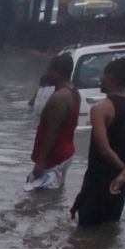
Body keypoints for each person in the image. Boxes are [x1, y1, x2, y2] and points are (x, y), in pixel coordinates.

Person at [70, 57, 125, 226]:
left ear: (112, 77)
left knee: (86, 230)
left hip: (97, 179)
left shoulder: (100, 109)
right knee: (109, 227)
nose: (101, 79)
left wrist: (123, 171)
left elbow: (104, 149)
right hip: (120, 184)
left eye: (103, 75)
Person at [25, 55, 80, 191]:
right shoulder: (74, 93)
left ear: (58, 72)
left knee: (39, 203)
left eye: (49, 70)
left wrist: (41, 162)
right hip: (64, 154)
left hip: (53, 159)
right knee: (51, 199)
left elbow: (53, 131)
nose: (46, 73)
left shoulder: (59, 98)